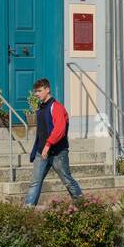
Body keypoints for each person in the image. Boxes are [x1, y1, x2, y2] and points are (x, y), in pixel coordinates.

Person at [24, 78, 83, 207]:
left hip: (58, 153)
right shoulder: (41, 108)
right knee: (35, 182)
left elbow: (59, 130)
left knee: (67, 181)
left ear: (47, 89)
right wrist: (37, 150)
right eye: (35, 92)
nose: (36, 94)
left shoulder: (57, 107)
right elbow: (41, 132)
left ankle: (83, 205)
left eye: (39, 91)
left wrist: (48, 144)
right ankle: (26, 212)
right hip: (42, 152)